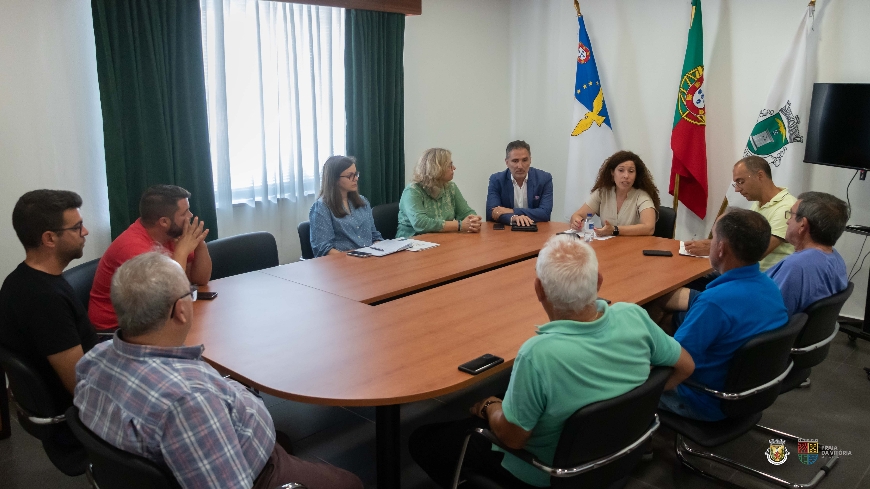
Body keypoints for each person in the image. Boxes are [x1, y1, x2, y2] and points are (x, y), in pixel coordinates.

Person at [408, 235, 694, 488]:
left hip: (548, 473)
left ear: (538, 290)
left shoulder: (538, 355)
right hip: (619, 454)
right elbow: (685, 366)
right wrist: (634, 405)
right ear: (598, 282)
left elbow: (513, 438)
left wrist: (489, 406)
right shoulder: (634, 317)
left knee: (423, 440)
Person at [74, 252, 363, 489]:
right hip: (264, 474)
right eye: (189, 293)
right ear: (181, 311)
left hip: (208, 447)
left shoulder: (94, 359)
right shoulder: (189, 402)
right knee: (351, 483)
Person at [654, 209, 788, 422]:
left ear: (721, 248)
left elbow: (673, 364)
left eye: (713, 237)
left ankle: (640, 442)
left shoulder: (714, 304)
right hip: (748, 394)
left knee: (621, 369)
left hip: (704, 399)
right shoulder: (770, 288)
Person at [0, 190, 98, 410]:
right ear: (49, 238)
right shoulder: (44, 300)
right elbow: (80, 386)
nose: (86, 231)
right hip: (80, 417)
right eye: (77, 227)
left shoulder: (21, 280)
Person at [89, 185, 212, 331]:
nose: (190, 216)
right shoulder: (133, 248)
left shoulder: (170, 236)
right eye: (185, 213)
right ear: (164, 222)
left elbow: (201, 280)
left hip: (152, 317)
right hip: (117, 330)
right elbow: (165, 295)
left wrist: (199, 243)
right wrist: (182, 251)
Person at [684, 156, 796, 271]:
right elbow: (745, 241)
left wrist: (714, 248)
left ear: (760, 175)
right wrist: (713, 244)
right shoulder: (759, 203)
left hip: (765, 277)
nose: (737, 189)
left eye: (740, 181)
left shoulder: (785, 207)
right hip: (747, 272)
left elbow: (756, 253)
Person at [766, 191, 849, 316]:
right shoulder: (836, 258)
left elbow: (770, 314)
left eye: (791, 215)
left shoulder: (796, 267)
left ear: (802, 225)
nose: (787, 221)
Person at [569, 150, 659, 237]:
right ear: (612, 172)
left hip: (634, 247)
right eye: (621, 170)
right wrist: (577, 221)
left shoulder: (642, 196)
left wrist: (614, 230)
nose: (626, 176)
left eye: (631, 171)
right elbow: (578, 215)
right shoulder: (602, 193)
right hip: (608, 246)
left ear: (636, 175)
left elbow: (649, 228)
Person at [396, 148, 482, 238]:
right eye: (450, 165)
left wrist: (473, 220)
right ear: (437, 168)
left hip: (441, 240)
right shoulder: (413, 190)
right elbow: (420, 224)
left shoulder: (451, 187)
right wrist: (459, 225)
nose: (454, 168)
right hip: (410, 244)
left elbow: (465, 212)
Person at [309, 155, 383, 257]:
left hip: (369, 259)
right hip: (341, 266)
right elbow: (323, 249)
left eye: (356, 174)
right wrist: (352, 260)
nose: (356, 178)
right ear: (334, 179)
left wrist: (380, 248)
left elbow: (374, 236)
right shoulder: (322, 207)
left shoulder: (363, 201)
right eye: (350, 176)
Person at [486, 140, 553, 227]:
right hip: (507, 232)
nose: (520, 166)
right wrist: (514, 218)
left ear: (530, 160)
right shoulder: (496, 180)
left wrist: (512, 211)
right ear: (507, 162)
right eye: (515, 161)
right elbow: (492, 212)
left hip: (536, 230)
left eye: (524, 160)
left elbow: (545, 213)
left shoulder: (544, 179)